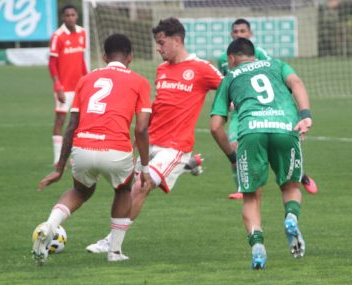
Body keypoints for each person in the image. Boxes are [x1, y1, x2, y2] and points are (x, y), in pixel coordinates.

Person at [85, 17, 223, 253]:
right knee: (128, 191)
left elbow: (227, 84)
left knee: (140, 186)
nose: (158, 48)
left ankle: (112, 241)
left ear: (177, 40)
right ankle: (188, 165)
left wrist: (229, 106)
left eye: (161, 43)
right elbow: (160, 105)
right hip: (151, 141)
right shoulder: (162, 70)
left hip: (176, 146)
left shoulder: (200, 68)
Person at [32, 34, 152, 265]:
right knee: (123, 190)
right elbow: (142, 128)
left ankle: (49, 226)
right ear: (131, 57)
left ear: (105, 56)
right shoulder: (140, 81)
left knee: (81, 191)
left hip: (83, 145)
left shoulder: (85, 79)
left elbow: (71, 126)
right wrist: (144, 166)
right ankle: (114, 252)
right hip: (116, 149)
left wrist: (59, 168)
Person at [210, 38, 312, 269]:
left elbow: (215, 127)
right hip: (285, 128)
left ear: (232, 59)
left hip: (250, 133)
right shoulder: (276, 64)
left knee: (251, 196)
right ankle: (291, 218)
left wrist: (232, 157)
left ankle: (257, 245)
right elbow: (296, 82)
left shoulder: (230, 77)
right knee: (290, 186)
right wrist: (305, 114)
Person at [217, 18, 316, 200]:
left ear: (250, 34)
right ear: (231, 34)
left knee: (268, 146)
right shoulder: (223, 58)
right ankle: (242, 186)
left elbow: (271, 79)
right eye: (236, 31)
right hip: (241, 111)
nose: (239, 34)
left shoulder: (260, 55)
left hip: (264, 110)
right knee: (233, 146)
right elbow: (227, 81)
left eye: (242, 31)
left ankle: (300, 175)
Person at [48, 4, 87, 165]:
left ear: (76, 16)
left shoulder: (82, 33)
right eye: (67, 15)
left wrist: (87, 80)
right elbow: (51, 63)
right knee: (60, 120)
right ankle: (58, 158)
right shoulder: (58, 36)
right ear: (63, 18)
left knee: (78, 122)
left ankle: (74, 156)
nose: (70, 17)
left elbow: (81, 61)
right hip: (64, 88)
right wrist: (58, 86)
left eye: (73, 15)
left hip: (79, 87)